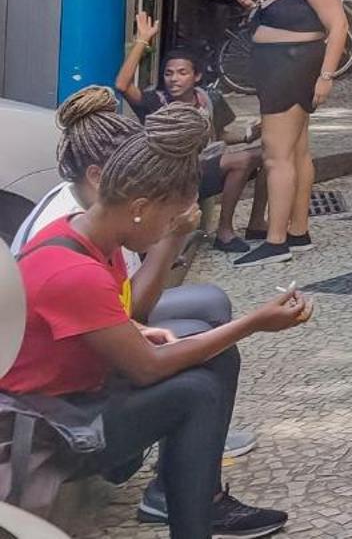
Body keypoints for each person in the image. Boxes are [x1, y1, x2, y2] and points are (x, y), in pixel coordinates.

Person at [4, 98, 310, 538]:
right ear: (141, 206)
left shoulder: (85, 232)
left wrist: (133, 328)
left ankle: (195, 509)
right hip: (46, 426)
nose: (171, 229)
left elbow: (89, 321)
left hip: (73, 397)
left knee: (214, 360)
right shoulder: (73, 268)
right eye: (169, 219)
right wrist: (254, 321)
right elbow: (147, 369)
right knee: (196, 391)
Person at [230, 0, 347, 268]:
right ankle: (298, 231)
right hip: (278, 67)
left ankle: (276, 240)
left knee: (275, 155)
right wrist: (250, 7)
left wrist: (327, 76)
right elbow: (280, 20)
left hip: (291, 69)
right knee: (296, 152)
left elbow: (339, 25)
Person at [113, 14, 261, 254]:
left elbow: (219, 135)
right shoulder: (156, 102)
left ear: (197, 76)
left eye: (182, 73)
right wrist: (142, 41)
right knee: (241, 160)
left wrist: (248, 134)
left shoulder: (208, 100)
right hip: (174, 178)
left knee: (269, 154)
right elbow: (122, 85)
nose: (174, 79)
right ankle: (225, 232)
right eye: (169, 73)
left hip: (205, 167)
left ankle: (258, 223)